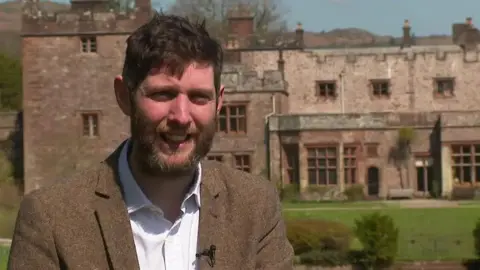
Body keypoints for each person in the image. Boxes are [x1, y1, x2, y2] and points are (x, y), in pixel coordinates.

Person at [7, 12, 294, 270]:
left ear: (218, 103)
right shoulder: (51, 218)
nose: (181, 116)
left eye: (198, 97)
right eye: (163, 94)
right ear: (124, 96)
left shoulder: (254, 205)